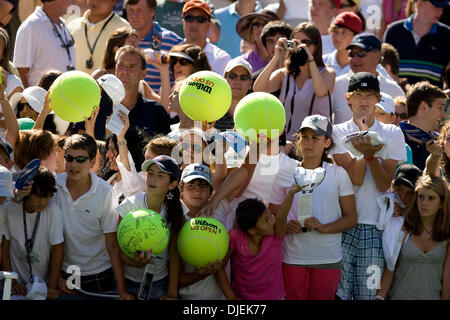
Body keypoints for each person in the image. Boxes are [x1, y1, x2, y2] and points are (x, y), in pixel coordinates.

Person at [330, 72, 406, 300]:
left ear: (378, 99)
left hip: (375, 227)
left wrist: (369, 156)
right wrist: (365, 146)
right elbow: (355, 179)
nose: (364, 101)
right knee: (340, 293)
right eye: (358, 95)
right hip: (342, 224)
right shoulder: (337, 131)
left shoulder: (392, 133)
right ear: (348, 98)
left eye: (369, 95)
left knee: (368, 293)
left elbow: (384, 183)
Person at [270, 114, 357, 300]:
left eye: (315, 138)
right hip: (292, 258)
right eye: (304, 137)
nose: (308, 142)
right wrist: (284, 226)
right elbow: (272, 217)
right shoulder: (285, 173)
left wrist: (325, 228)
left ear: (327, 142)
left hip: (328, 258)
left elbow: (351, 218)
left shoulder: (338, 174)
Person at [54, 134, 133, 299]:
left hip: (99, 274)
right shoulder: (53, 185)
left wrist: (122, 290)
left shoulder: (106, 192)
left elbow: (112, 245)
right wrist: (54, 279)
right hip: (64, 274)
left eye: (81, 159)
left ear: (92, 162)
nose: (73, 164)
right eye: (69, 158)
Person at [115, 155, 186, 299]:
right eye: (150, 173)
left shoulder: (178, 211)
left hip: (159, 283)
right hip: (127, 281)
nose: (152, 179)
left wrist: (172, 293)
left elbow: (174, 252)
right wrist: (134, 263)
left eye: (160, 176)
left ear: (172, 184)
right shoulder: (129, 205)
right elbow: (117, 248)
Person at [253, 22, 335, 143]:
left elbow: (320, 91)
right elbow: (258, 89)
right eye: (296, 42)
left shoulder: (327, 73)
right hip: (286, 144)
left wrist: (310, 58)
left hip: (314, 144)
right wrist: (277, 57)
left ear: (316, 46)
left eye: (305, 43)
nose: (300, 46)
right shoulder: (285, 74)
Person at [376, 175, 450, 300]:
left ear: (442, 204)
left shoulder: (447, 236)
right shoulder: (402, 228)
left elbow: (447, 275)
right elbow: (390, 268)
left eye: (431, 198)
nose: (424, 203)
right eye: (421, 197)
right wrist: (379, 297)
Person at [1, 166, 64, 300]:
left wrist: (52, 286)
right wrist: (13, 282)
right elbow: (4, 250)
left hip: (43, 285)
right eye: (38, 196)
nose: (43, 201)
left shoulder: (54, 211)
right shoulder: (8, 209)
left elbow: (58, 250)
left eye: (47, 196)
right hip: (17, 285)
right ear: (27, 193)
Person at [226, 191, 300, 300]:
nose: (272, 221)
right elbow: (219, 268)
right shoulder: (234, 237)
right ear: (252, 230)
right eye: (266, 220)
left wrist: (291, 193)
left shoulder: (275, 235)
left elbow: (281, 217)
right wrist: (231, 297)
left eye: (270, 215)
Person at [177, 163, 234, 300]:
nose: (197, 192)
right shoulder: (176, 221)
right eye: (191, 186)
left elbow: (241, 173)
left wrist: (215, 200)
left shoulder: (217, 209)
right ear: (181, 189)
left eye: (203, 187)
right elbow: (177, 277)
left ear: (210, 191)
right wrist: (201, 274)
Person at [332, 33, 405, 124]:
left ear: (378, 55)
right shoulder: (336, 85)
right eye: (352, 54)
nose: (355, 59)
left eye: (361, 54)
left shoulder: (393, 90)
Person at [383, 0, 450, 88]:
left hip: (432, 99)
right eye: (436, 6)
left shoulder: (447, 35)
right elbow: (383, 70)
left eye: (442, 7)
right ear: (420, 4)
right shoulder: (393, 31)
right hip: (396, 98)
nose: (441, 11)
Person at [13, 0, 76, 88]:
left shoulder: (63, 24)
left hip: (65, 96)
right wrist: (28, 100)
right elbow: (20, 72)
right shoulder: (31, 26)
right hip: (41, 99)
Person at [125, 0, 183, 94]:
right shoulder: (123, 40)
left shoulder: (172, 41)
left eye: (139, 10)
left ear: (152, 12)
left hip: (161, 106)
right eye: (131, 10)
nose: (134, 15)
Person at [68, 0, 131, 73]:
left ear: (114, 1)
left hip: (106, 84)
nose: (95, 2)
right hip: (72, 83)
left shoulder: (123, 28)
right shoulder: (72, 26)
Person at [401, 81, 447, 171]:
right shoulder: (392, 138)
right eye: (440, 107)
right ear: (424, 106)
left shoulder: (442, 144)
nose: (444, 115)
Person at [182, 0, 231, 76]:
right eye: (189, 18)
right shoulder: (172, 52)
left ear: (209, 24)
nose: (194, 24)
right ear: (183, 22)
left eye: (201, 19)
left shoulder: (221, 58)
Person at [214, 57, 253, 132]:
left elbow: (262, 143)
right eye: (233, 76)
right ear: (224, 79)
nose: (238, 81)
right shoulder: (210, 110)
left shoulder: (256, 113)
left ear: (250, 84)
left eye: (243, 77)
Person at [235, 9, 279, 73]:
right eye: (256, 24)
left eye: (265, 24)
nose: (260, 28)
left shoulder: (284, 60)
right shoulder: (242, 62)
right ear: (251, 30)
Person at [323, 11, 363, 77]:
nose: (337, 36)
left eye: (344, 32)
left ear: (356, 37)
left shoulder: (364, 66)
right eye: (335, 31)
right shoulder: (322, 62)